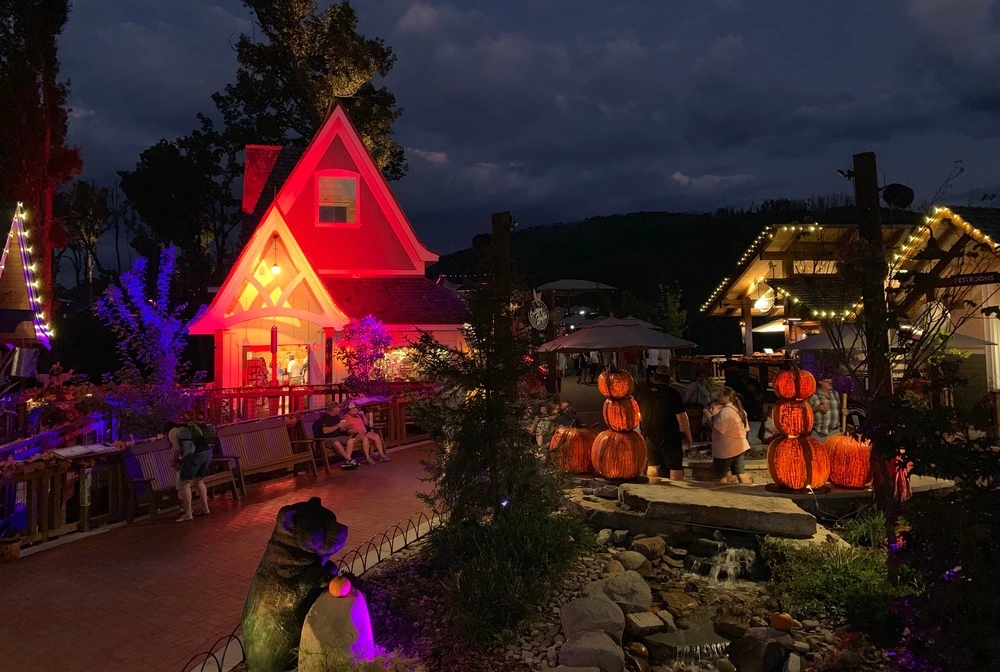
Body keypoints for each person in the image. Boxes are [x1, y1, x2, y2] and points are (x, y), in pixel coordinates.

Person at [637, 366, 692, 482]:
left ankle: (652, 491)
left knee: (652, 465)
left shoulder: (643, 392)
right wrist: (688, 435)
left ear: (654, 377)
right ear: (668, 378)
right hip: (670, 436)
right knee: (675, 467)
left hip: (650, 435)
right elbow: (681, 418)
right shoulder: (672, 393)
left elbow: (639, 416)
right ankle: (675, 493)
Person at [165, 420, 212, 522]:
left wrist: (174, 459)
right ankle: (205, 509)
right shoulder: (188, 427)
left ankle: (188, 514)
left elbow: (177, 449)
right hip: (207, 452)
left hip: (194, 455)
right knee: (199, 480)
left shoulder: (172, 432)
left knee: (184, 483)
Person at [708, 387, 752, 484]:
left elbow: (719, 429)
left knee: (721, 475)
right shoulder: (741, 411)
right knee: (741, 472)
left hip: (725, 448)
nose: (718, 398)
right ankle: (748, 490)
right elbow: (746, 428)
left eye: (720, 395)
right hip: (740, 445)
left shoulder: (725, 412)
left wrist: (709, 417)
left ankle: (723, 494)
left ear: (727, 397)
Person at [313, 402, 361, 469]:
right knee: (336, 443)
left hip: (338, 437)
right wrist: (337, 426)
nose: (339, 409)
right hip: (327, 439)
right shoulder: (324, 418)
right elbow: (325, 431)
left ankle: (347, 461)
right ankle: (350, 460)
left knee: (351, 440)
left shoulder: (337, 417)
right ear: (333, 409)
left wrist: (346, 428)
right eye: (338, 407)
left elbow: (340, 429)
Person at [808, 374, 841, 441]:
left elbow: (839, 409)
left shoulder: (835, 394)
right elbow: (806, 412)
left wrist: (845, 411)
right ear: (820, 381)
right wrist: (818, 408)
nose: (830, 383)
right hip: (819, 433)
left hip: (835, 433)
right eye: (827, 381)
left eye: (831, 381)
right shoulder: (813, 396)